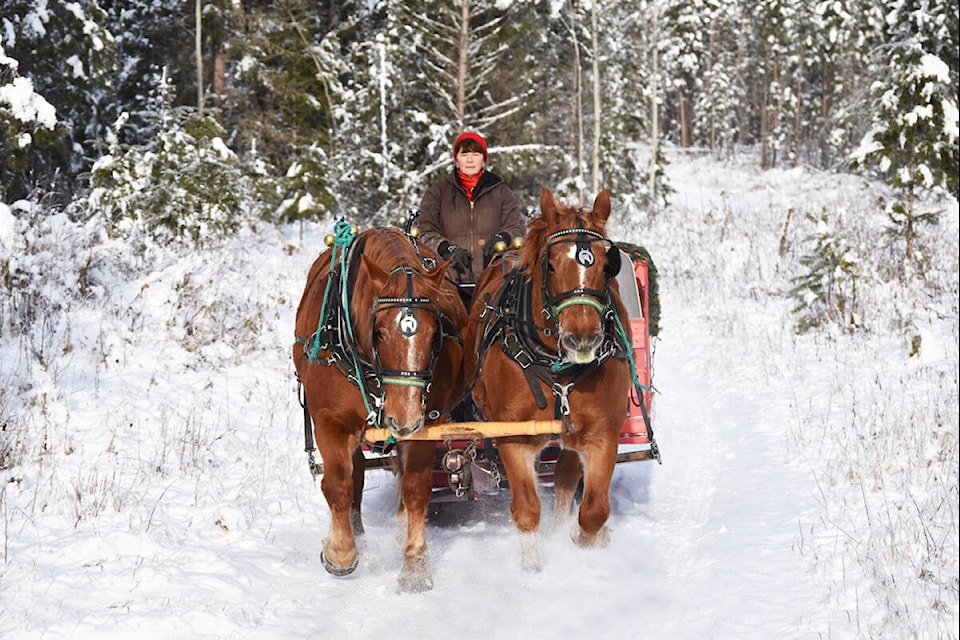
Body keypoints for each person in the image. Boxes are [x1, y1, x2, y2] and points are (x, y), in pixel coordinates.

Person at [418, 131, 526, 296]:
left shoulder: (501, 191)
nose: (470, 160)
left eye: (476, 154)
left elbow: (516, 226)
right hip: (449, 282)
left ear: (483, 160)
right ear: (456, 159)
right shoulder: (438, 192)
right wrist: (445, 248)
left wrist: (503, 237)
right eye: (465, 154)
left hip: (493, 283)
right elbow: (425, 228)